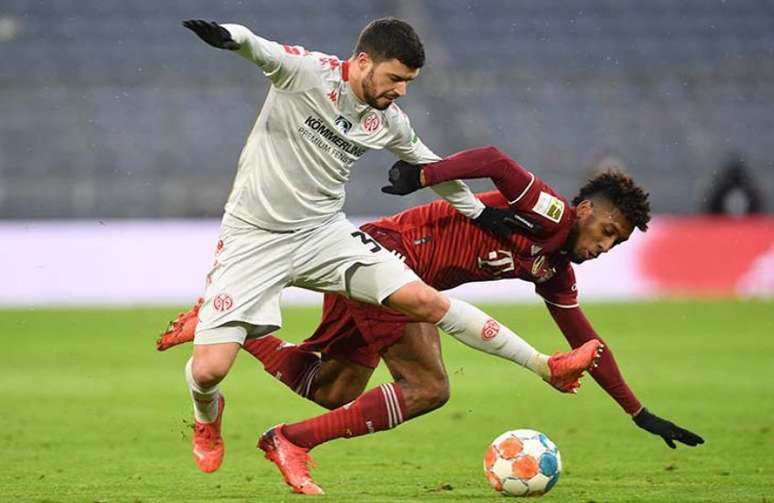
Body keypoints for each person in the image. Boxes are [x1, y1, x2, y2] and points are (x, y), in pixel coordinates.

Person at [177, 18, 594, 494]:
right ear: (362, 63)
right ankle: (205, 419)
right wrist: (229, 37)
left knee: (424, 301)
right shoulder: (308, 73)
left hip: (323, 234)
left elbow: (431, 166)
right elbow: (261, 49)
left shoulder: (388, 121)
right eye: (394, 78)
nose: (400, 91)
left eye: (408, 83)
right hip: (254, 236)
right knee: (209, 371)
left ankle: (545, 365)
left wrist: (479, 213)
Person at [160, 146, 703, 495]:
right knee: (428, 386)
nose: (606, 246)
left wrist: (638, 412)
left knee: (331, 388)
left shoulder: (556, 271)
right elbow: (493, 159)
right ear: (585, 210)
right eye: (607, 230)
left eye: (618, 242)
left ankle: (228, 327)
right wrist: (424, 173)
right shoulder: (549, 211)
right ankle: (287, 440)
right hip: (387, 259)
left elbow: (587, 342)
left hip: (395, 278)